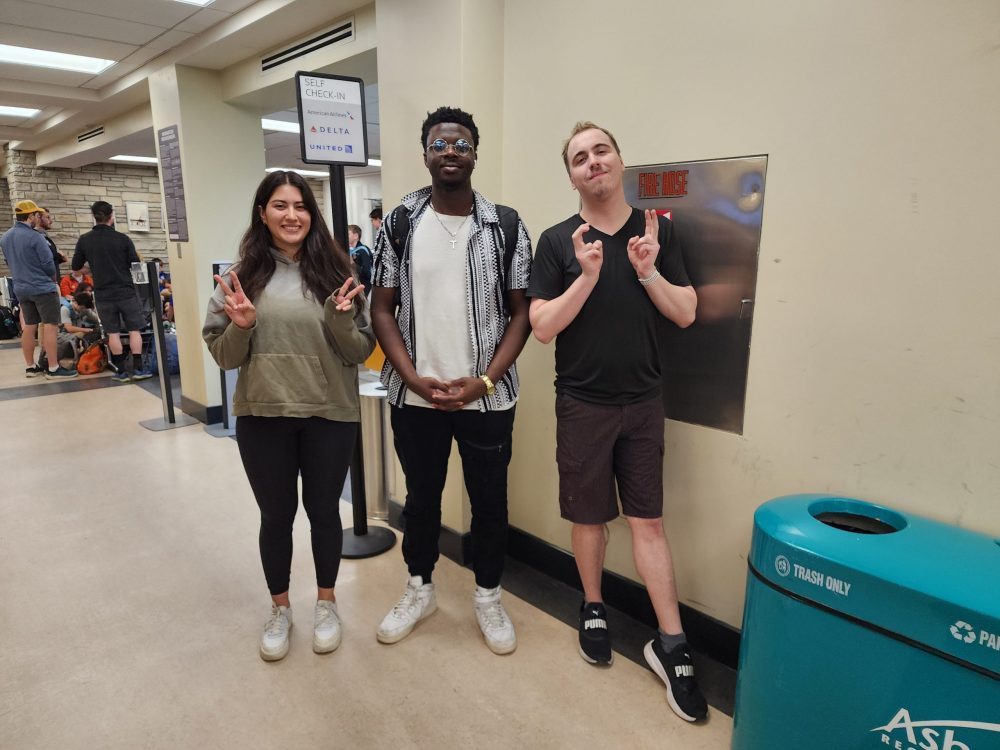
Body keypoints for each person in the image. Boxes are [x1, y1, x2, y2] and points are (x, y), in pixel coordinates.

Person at [526, 121, 707, 722]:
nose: (593, 162)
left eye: (601, 150)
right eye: (580, 157)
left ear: (620, 161)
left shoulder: (655, 231)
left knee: (648, 521)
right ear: (572, 175)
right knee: (588, 516)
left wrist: (648, 270)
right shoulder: (556, 241)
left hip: (643, 403)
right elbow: (544, 326)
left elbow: (685, 314)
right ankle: (594, 605)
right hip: (581, 402)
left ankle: (672, 642)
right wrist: (588, 274)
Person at [370, 106, 532, 655]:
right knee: (421, 498)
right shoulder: (399, 222)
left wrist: (483, 381)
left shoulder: (505, 225)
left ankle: (488, 594)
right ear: (425, 153)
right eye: (439, 144)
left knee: (490, 502)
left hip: (487, 399)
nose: (450, 152)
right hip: (415, 398)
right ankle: (420, 588)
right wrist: (412, 379)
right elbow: (382, 308)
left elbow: (521, 313)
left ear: (474, 154)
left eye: (460, 144)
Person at [202, 171, 374, 662]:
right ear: (263, 212)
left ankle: (326, 602)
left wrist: (340, 318)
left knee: (324, 513)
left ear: (311, 214)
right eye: (280, 205)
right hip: (264, 413)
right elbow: (224, 357)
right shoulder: (241, 278)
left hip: (329, 413)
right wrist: (242, 325)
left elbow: (361, 349)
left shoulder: (337, 273)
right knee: (276, 516)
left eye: (300, 205)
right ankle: (280, 609)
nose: (292, 215)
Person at [71, 201, 152, 383]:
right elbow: (135, 264)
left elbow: (75, 266)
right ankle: (138, 369)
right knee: (134, 330)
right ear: (111, 216)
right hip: (126, 291)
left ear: (94, 217)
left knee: (113, 333)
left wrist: (93, 268)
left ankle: (121, 372)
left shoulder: (85, 240)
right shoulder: (123, 239)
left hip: (102, 293)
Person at [0, 199, 77, 379]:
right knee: (50, 326)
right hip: (42, 287)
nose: (38, 217)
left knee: (29, 327)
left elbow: (8, 262)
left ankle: (30, 367)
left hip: (21, 288)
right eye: (37, 214)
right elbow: (49, 266)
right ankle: (53, 368)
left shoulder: (5, 237)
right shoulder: (36, 237)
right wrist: (51, 279)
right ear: (30, 216)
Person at [347, 224, 373, 291]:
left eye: (348, 234)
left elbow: (367, 273)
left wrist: (352, 263)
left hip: (365, 287)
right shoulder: (350, 250)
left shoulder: (363, 250)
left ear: (355, 236)